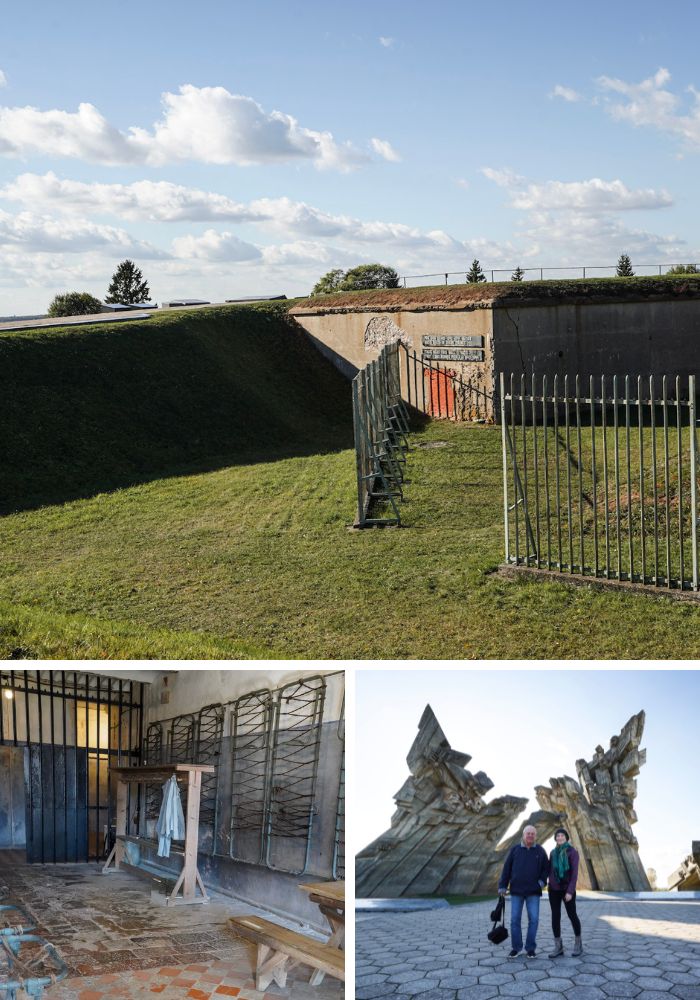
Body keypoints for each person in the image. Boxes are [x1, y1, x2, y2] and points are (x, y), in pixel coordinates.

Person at [498, 825, 549, 958]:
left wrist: (541, 883)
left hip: (533, 892)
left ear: (535, 836)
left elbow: (546, 869)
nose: (530, 836)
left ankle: (530, 948)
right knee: (515, 920)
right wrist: (503, 885)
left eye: (533, 833)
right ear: (523, 834)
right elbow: (506, 869)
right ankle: (516, 947)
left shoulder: (540, 850)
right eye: (528, 833)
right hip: (516, 891)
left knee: (534, 920)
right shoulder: (515, 850)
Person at [547, 827, 582, 957]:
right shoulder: (552, 853)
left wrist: (570, 891)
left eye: (562, 835)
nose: (560, 837)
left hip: (567, 889)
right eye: (558, 836)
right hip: (554, 889)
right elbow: (549, 869)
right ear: (555, 838)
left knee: (572, 915)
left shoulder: (573, 852)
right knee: (555, 917)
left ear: (567, 838)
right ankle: (558, 947)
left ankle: (578, 944)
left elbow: (574, 874)